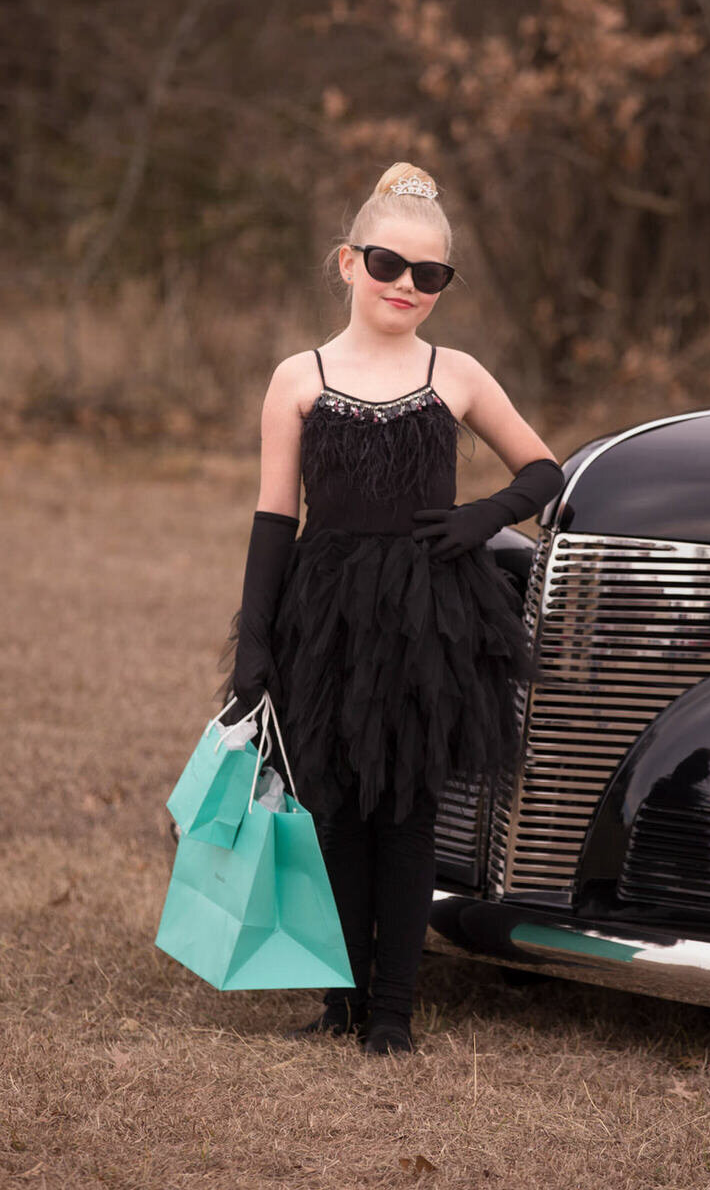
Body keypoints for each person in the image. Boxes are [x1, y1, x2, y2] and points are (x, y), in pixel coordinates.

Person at [219, 161, 563, 1056]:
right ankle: (340, 998)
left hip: (426, 619)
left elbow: (543, 470)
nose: (406, 286)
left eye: (429, 275)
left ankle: (393, 1014)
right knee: (331, 807)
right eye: (387, 265)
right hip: (325, 616)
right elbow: (271, 517)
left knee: (406, 811)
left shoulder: (455, 375)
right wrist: (255, 643)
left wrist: (479, 518)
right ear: (346, 262)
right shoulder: (300, 377)